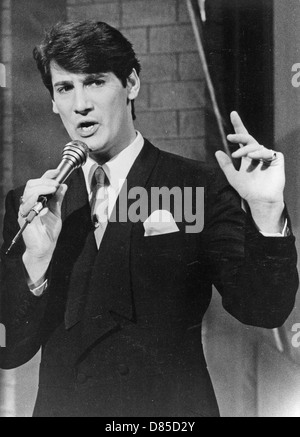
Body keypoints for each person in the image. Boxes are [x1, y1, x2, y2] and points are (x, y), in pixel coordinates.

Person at [0, 21, 298, 418]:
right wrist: (36, 264)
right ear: (53, 101)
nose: (80, 104)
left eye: (95, 82)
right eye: (65, 88)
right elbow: (12, 348)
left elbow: (264, 308)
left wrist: (264, 210)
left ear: (132, 84)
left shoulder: (195, 185)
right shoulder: (32, 203)